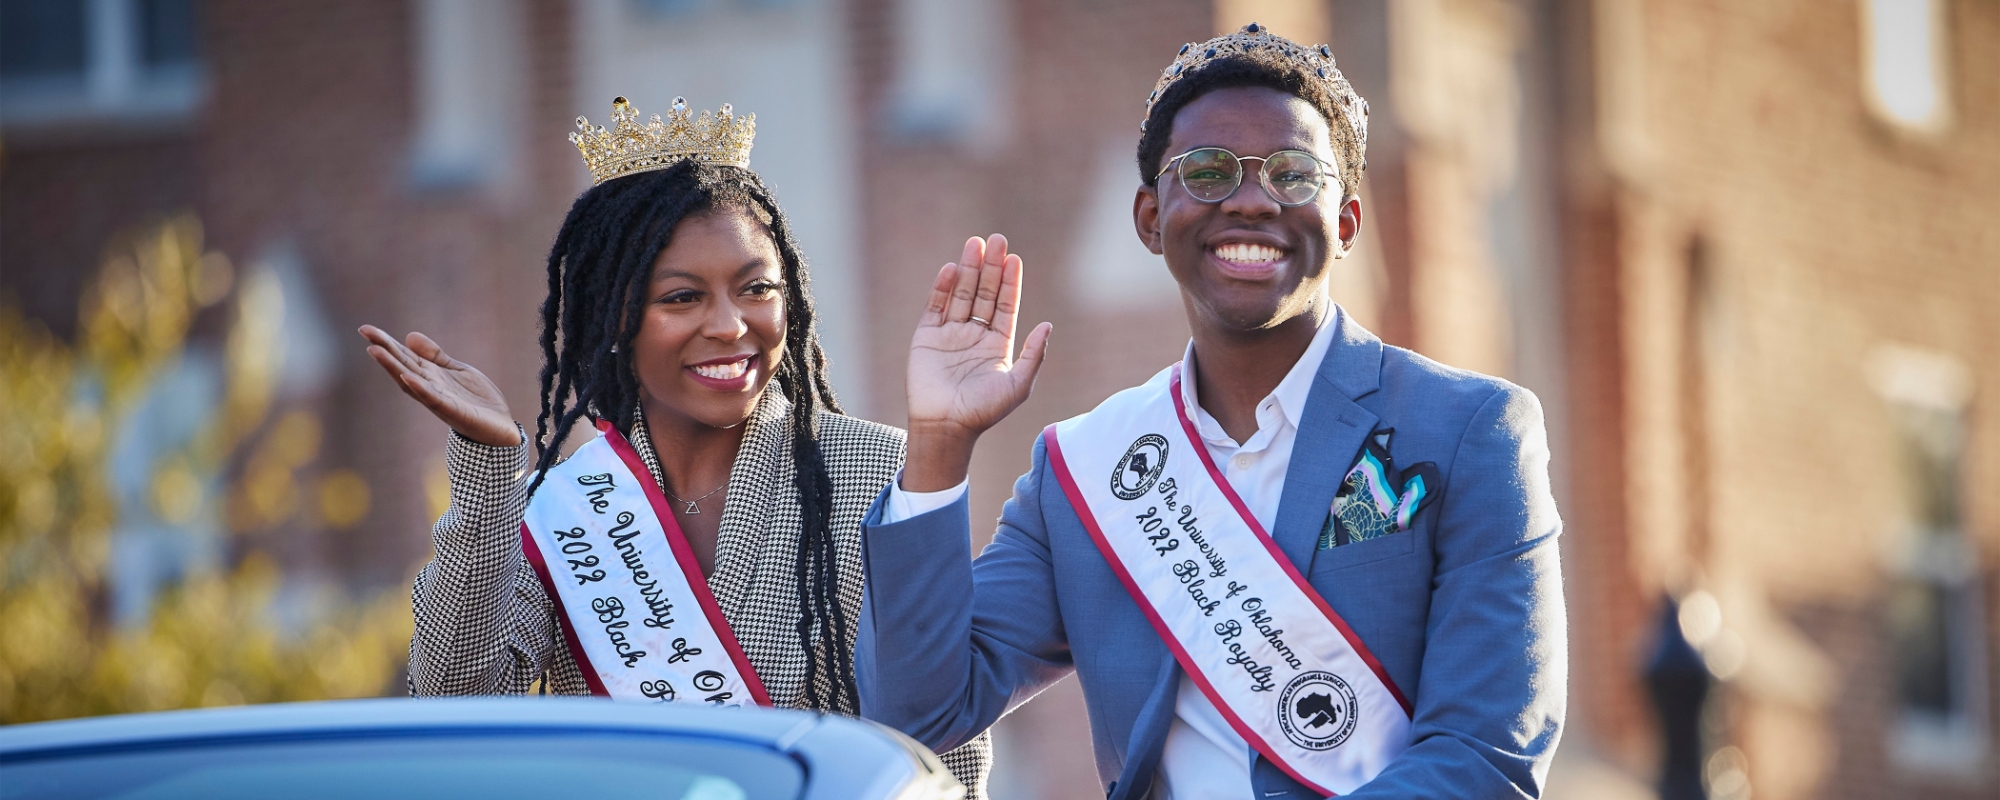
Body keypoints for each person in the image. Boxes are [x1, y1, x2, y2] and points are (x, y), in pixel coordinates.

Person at [856, 26, 1564, 799]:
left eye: (1294, 174)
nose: (1253, 199)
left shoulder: (1471, 431)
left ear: (1348, 221)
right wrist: (938, 445)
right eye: (1209, 171)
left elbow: (1485, 756)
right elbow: (916, 716)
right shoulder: (1083, 470)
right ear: (1151, 218)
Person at [358, 96, 988, 794]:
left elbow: (943, 747)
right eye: (682, 298)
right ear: (614, 318)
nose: (729, 325)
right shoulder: (561, 511)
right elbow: (454, 703)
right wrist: (488, 468)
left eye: (756, 289)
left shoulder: (876, 470)